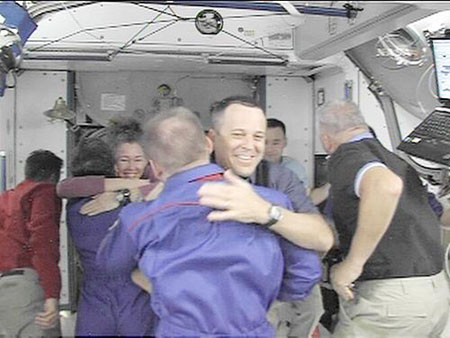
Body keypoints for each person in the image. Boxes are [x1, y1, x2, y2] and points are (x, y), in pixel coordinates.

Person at [97, 107, 322, 336]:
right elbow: (306, 273)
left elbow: (109, 266)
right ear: (208, 144)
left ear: (155, 166)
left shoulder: (139, 217)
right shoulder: (270, 202)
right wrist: (256, 299)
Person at [197, 96, 333, 337]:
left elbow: (321, 238)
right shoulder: (189, 181)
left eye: (257, 137)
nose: (250, 145)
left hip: (275, 294)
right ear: (212, 139)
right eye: (238, 134)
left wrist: (266, 213)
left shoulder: (278, 177)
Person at [318, 100, 449, 337]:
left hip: (390, 301)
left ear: (326, 139)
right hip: (435, 296)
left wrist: (351, 265)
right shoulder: (399, 163)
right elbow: (442, 217)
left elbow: (385, 187)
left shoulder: (346, 154)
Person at [65, 137, 155, 336]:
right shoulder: (138, 206)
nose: (131, 166)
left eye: (138, 159)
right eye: (124, 160)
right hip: (136, 294)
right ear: (113, 166)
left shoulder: (73, 207)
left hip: (94, 297)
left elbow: (67, 187)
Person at [0, 150, 63, 337]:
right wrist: (52, 295)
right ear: (54, 175)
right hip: (30, 287)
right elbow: (43, 244)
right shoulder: (43, 192)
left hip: (6, 287)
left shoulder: (7, 198)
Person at [265, 117, 310, 188]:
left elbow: (304, 196)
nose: (269, 149)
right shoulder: (247, 168)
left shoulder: (294, 167)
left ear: (285, 142)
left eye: (275, 143)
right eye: (265, 143)